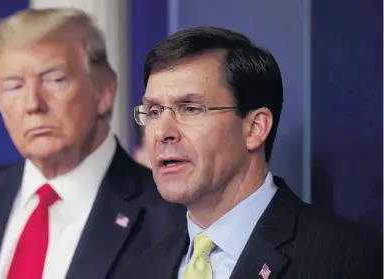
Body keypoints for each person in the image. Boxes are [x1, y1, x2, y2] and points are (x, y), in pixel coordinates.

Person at [119, 26, 382, 279]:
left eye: (190, 109)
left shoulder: (345, 260)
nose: (162, 132)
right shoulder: (140, 270)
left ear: (255, 128)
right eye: (153, 112)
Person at [0, 8, 186, 279]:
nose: (33, 104)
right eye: (14, 87)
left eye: (54, 80)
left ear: (104, 91)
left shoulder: (172, 217)